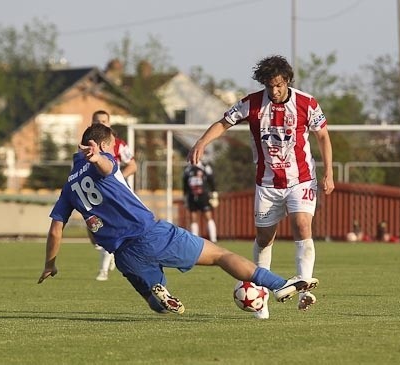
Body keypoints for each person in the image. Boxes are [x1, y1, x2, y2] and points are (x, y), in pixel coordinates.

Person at [38, 123, 319, 315]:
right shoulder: (104, 162)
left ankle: (159, 292)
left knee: (152, 301)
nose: (114, 152)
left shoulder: (69, 186)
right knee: (220, 255)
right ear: (100, 145)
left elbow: (55, 230)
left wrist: (50, 264)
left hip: (123, 255)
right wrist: (99, 156)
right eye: (111, 146)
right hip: (151, 234)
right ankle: (279, 284)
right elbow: (106, 164)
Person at [187, 55, 334, 319]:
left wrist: (329, 172)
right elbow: (223, 123)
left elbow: (322, 134)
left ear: (287, 81)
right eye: (269, 86)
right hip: (267, 183)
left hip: (301, 179)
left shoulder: (306, 103)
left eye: (278, 85)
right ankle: (261, 296)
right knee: (265, 238)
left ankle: (303, 287)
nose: (274, 91)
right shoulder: (252, 103)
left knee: (302, 224)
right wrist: (201, 142)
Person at [90, 110, 137, 281]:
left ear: (109, 124)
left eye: (104, 121)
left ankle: (103, 271)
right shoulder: (86, 145)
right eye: (97, 121)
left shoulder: (117, 144)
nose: (101, 124)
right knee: (96, 231)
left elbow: (132, 166)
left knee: (110, 230)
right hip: (93, 192)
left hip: (114, 193)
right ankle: (111, 254)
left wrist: (117, 179)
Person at [182, 160, 217, 242]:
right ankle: (194, 240)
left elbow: (211, 180)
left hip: (203, 195)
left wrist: (214, 193)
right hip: (192, 196)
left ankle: (213, 239)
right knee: (193, 217)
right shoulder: (187, 169)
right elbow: (185, 184)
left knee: (208, 216)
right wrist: (185, 197)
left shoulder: (205, 167)